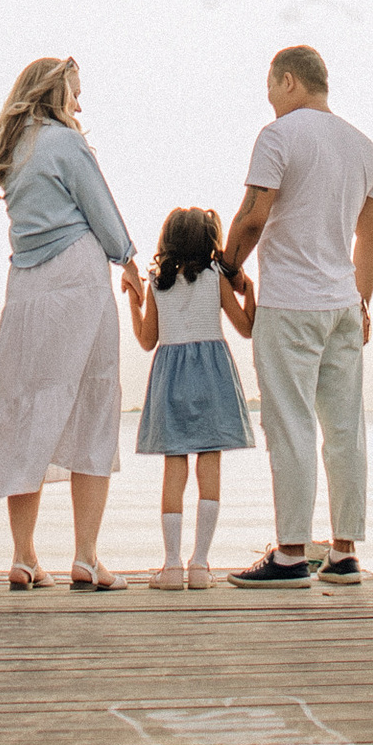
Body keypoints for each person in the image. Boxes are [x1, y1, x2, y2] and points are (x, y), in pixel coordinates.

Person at [0, 54, 140, 589]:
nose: (79, 103)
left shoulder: (12, 151)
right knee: (93, 401)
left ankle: (24, 556)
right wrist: (129, 259)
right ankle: (87, 556)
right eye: (74, 92)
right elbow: (102, 210)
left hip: (25, 286)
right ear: (54, 94)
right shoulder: (65, 143)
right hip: (75, 276)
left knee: (26, 405)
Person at [219, 44, 373, 587]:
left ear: (289, 80)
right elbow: (370, 236)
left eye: (270, 88)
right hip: (341, 304)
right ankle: (344, 553)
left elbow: (252, 215)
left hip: (289, 302)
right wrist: (362, 300)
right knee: (345, 429)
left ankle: (289, 553)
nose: (268, 100)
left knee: (289, 424)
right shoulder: (366, 149)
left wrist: (226, 265)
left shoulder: (278, 137)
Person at [129, 205, 257, 587]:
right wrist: (248, 288)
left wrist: (132, 306)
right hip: (212, 375)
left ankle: (170, 565)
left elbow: (147, 340)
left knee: (174, 468)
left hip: (171, 376)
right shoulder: (216, 276)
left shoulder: (156, 283)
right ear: (209, 242)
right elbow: (247, 328)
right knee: (209, 465)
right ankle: (200, 564)